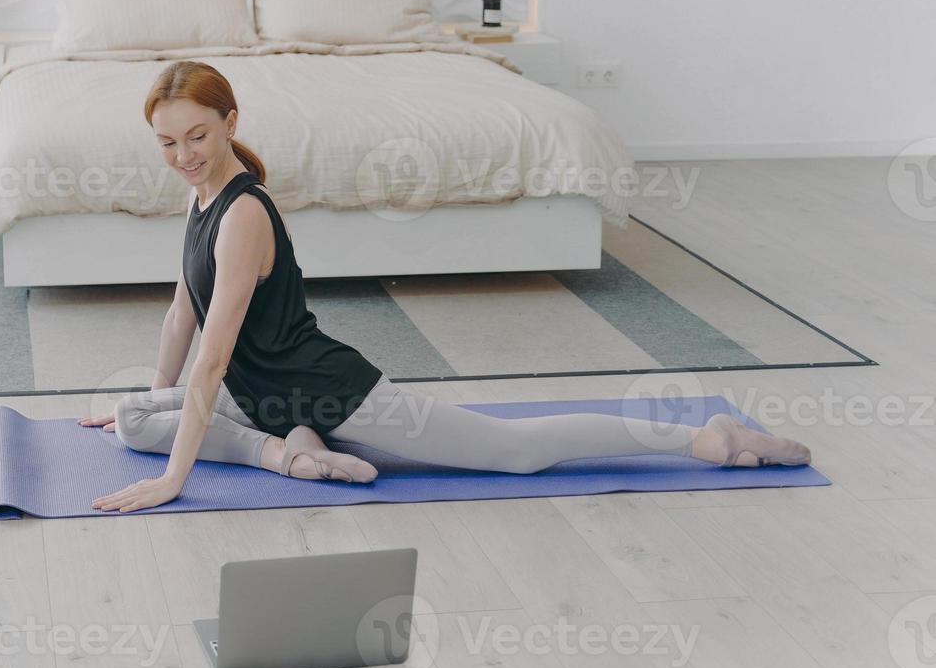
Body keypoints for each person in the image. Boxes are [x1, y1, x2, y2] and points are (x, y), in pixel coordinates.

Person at [80, 61, 812, 513]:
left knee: (513, 451)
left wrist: (176, 480)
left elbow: (212, 358)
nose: (182, 156)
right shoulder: (198, 193)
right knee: (131, 416)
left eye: (197, 137)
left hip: (324, 388)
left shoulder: (242, 214)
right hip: (263, 392)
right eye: (168, 142)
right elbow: (183, 313)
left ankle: (700, 437)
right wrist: (152, 396)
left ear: (230, 123)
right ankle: (290, 447)